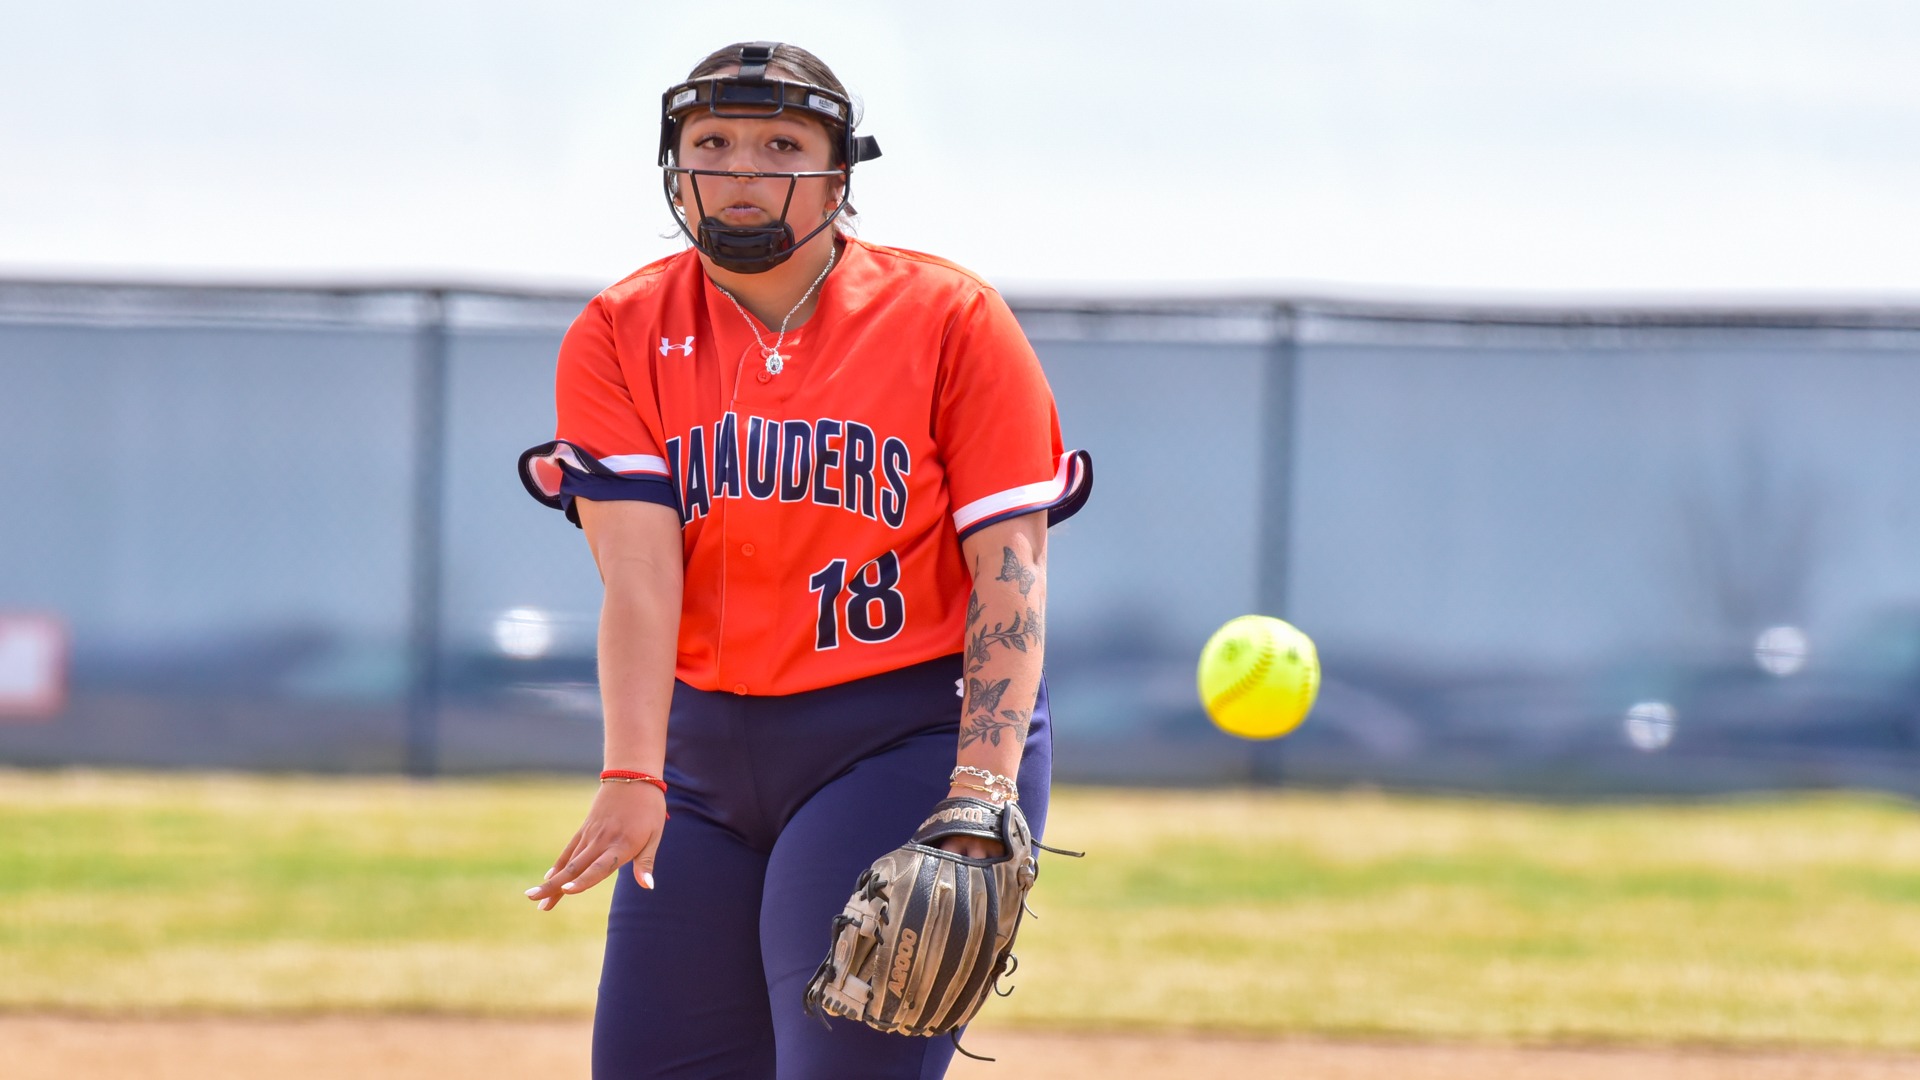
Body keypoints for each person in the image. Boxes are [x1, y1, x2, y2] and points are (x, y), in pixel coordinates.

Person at [515, 40, 1092, 1080]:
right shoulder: (621, 329)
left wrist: (979, 788)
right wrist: (633, 771)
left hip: (902, 736)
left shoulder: (948, 319)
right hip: (700, 752)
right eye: (713, 144)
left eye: (782, 144)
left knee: (840, 1065)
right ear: (674, 169)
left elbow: (1013, 570)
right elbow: (641, 580)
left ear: (840, 174)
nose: (742, 173)